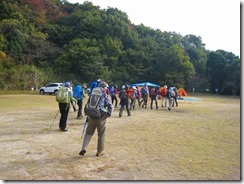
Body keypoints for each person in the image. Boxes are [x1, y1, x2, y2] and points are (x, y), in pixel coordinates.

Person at [79, 81, 113, 157]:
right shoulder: (104, 93)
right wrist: (108, 114)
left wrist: (86, 112)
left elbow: (88, 103)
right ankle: (99, 152)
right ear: (104, 87)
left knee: (88, 133)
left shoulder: (93, 92)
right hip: (100, 116)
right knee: (101, 134)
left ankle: (84, 147)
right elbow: (110, 105)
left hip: (91, 115)